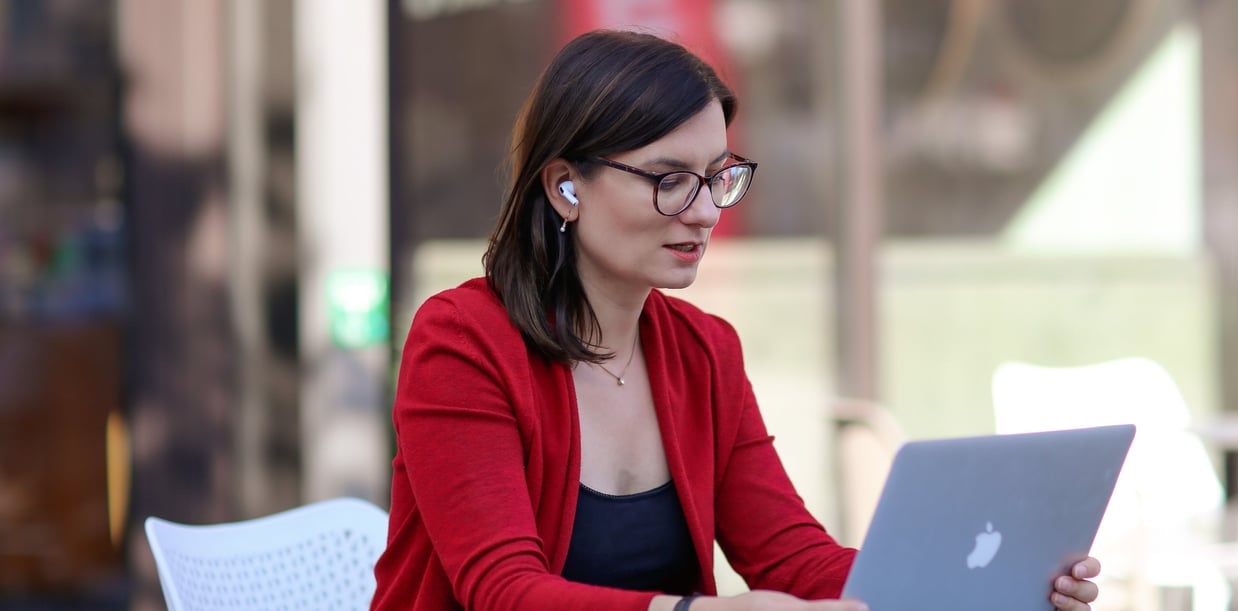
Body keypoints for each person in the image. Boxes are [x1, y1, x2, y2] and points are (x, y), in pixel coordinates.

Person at [371, 29, 1103, 611]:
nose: (704, 210)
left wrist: (974, 582)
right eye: (668, 180)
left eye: (718, 176)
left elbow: (795, 560)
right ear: (565, 185)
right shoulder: (462, 341)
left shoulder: (703, 351)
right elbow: (503, 592)